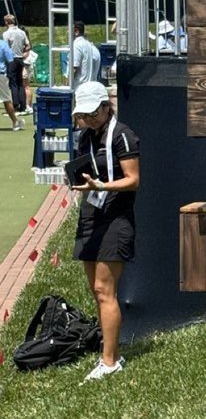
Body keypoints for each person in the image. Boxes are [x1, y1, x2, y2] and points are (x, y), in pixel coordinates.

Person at [71, 81, 140, 381]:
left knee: (104, 290)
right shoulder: (85, 137)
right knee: (97, 292)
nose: (87, 119)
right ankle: (108, 350)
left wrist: (101, 186)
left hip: (115, 218)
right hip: (91, 214)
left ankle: (110, 361)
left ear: (105, 107)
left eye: (92, 114)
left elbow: (133, 180)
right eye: (83, 115)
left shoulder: (122, 135)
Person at [3, 13, 28, 114]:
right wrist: (22, 52)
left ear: (7, 22)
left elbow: (5, 48)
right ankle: (23, 105)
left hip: (11, 59)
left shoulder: (6, 34)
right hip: (20, 58)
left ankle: (15, 104)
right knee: (20, 82)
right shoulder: (22, 32)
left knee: (12, 82)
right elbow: (28, 45)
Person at [71, 21, 101, 89]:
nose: (68, 33)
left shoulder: (76, 45)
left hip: (78, 88)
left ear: (76, 31)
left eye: (70, 30)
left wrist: (67, 84)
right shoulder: (88, 44)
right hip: (89, 87)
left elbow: (74, 68)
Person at [0, 39, 23, 130]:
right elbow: (10, 60)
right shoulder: (3, 44)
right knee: (6, 99)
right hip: (1, 75)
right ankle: (15, 122)